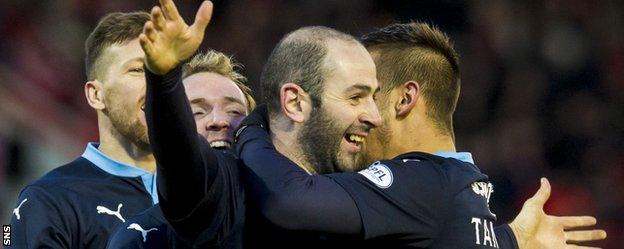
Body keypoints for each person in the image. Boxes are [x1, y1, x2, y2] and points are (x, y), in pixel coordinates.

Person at [234, 22, 607, 248]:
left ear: (404, 98)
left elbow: (289, 201)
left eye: (368, 94)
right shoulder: (463, 194)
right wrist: (509, 241)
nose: (364, 114)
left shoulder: (420, 183)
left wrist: (253, 124)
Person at [7, 11, 163, 248]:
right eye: (137, 70)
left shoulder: (213, 191)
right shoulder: (48, 201)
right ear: (96, 95)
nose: (159, 84)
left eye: (167, 71)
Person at [105, 49, 255, 248]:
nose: (220, 121)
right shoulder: (141, 237)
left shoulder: (294, 211)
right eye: (197, 112)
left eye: (235, 111)